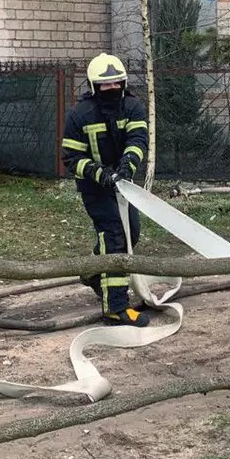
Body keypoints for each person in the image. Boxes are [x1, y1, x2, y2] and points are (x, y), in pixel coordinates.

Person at [60, 52, 151, 327]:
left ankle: (92, 272)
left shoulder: (133, 107)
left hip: (124, 184)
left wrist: (127, 167)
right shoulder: (79, 115)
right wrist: (101, 174)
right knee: (113, 235)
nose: (111, 89)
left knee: (131, 233)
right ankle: (115, 308)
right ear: (93, 86)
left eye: (116, 84)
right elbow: (71, 158)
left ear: (123, 84)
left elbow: (138, 139)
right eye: (105, 85)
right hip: (95, 188)